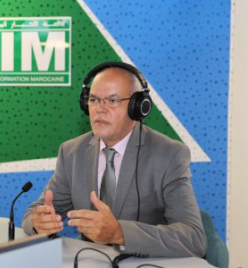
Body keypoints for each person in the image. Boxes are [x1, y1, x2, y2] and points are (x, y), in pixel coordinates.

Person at [22, 62, 207, 258]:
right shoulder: (72, 152)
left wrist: (120, 233)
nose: (99, 109)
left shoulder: (169, 154)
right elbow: (33, 213)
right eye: (93, 100)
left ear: (138, 107)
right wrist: (38, 222)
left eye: (113, 101)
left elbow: (194, 238)